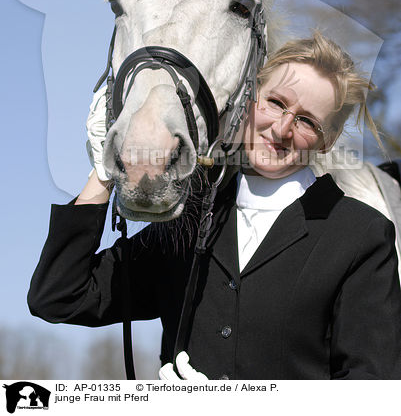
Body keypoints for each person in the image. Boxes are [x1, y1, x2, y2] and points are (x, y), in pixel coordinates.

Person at [28, 32, 401, 379]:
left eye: (306, 121)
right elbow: (61, 297)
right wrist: (105, 170)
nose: (282, 128)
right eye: (275, 103)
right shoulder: (188, 216)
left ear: (326, 140)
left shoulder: (361, 234)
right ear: (250, 97)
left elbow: (371, 390)